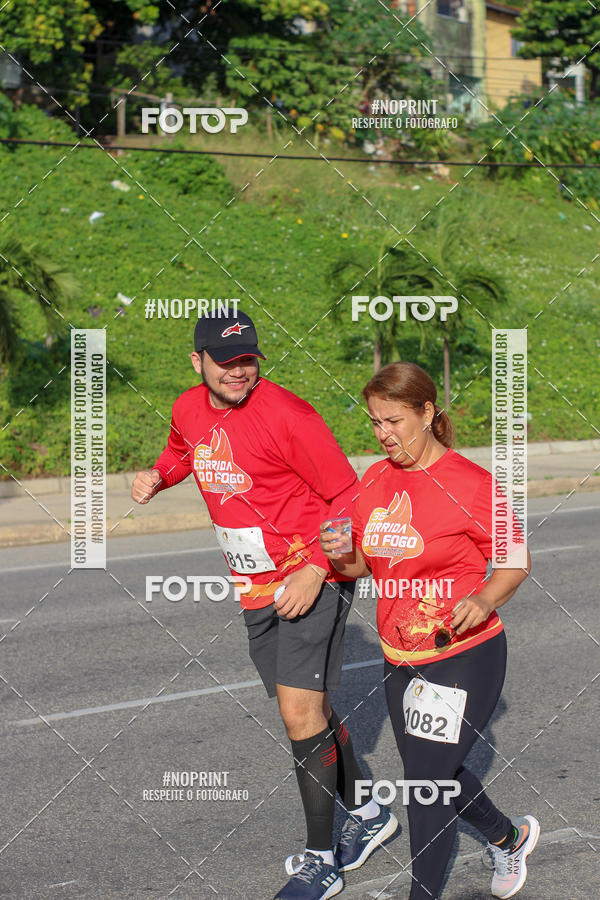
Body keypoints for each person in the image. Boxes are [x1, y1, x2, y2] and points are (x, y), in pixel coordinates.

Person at [131, 311, 398, 900]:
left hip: (309, 575)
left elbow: (346, 496)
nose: (238, 371)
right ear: (196, 361)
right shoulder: (187, 408)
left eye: (247, 359)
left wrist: (315, 569)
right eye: (225, 362)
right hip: (252, 584)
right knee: (307, 709)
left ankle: (321, 860)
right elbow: (184, 451)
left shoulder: (289, 416)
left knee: (299, 717)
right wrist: (158, 475)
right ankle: (372, 814)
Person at [319, 361, 539, 900]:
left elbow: (514, 562)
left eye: (393, 420)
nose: (383, 434)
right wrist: (339, 554)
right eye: (374, 422)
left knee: (425, 786)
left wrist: (484, 598)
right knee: (436, 771)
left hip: (464, 654)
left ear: (427, 412)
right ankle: (507, 838)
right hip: (401, 656)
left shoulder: (473, 483)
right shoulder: (375, 480)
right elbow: (362, 569)